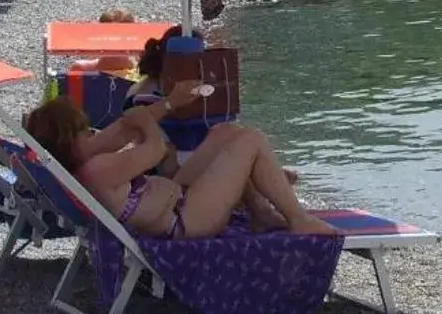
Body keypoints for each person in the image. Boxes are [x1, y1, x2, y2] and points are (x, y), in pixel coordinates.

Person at [22, 96, 334, 240]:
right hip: (189, 219)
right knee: (251, 140)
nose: (91, 133)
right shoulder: (97, 170)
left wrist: (169, 103)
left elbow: (119, 131)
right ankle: (298, 219)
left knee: (224, 133)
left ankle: (262, 212)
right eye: (83, 131)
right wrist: (144, 120)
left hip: (180, 198)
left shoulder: (84, 165)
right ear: (69, 142)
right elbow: (156, 149)